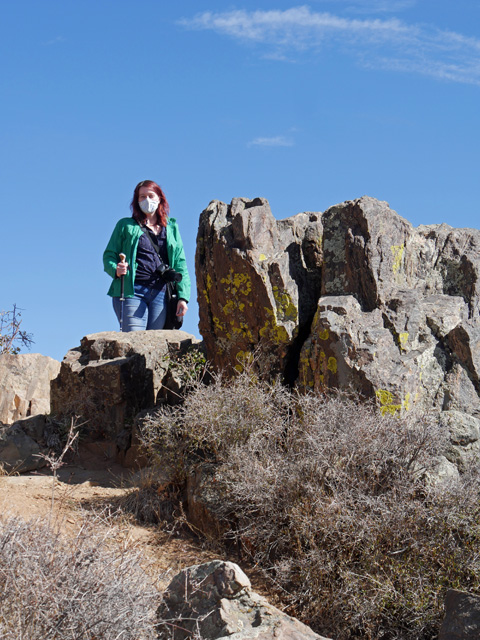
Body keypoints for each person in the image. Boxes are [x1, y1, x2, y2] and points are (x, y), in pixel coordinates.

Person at [103, 179, 190, 331]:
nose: (147, 200)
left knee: (153, 344)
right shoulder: (125, 225)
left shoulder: (171, 228)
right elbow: (109, 255)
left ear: (159, 199)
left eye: (151, 195)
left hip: (161, 294)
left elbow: (180, 264)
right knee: (134, 341)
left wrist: (183, 297)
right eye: (142, 197)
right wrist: (115, 269)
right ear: (136, 201)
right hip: (133, 291)